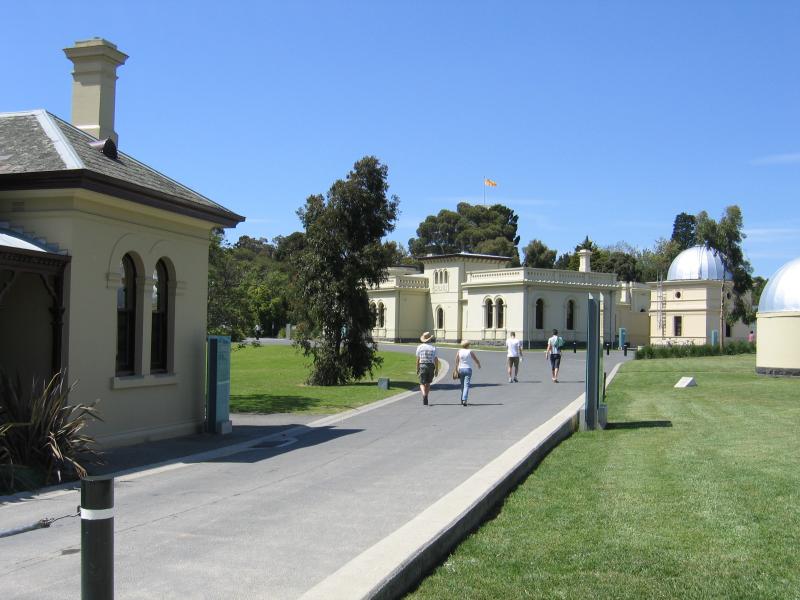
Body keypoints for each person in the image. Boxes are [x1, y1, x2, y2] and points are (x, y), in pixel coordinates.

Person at [416, 331, 439, 406]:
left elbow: (418, 359)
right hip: (431, 365)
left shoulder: (420, 347)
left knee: (422, 383)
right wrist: (436, 369)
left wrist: (417, 368)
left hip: (422, 365)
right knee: (428, 383)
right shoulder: (433, 348)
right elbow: (435, 359)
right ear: (429, 339)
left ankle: (424, 395)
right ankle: (426, 395)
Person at [455, 340, 481, 406]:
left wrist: (456, 368)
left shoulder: (459, 351)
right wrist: (478, 364)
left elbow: (456, 360)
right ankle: (464, 400)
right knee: (466, 385)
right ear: (468, 345)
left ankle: (462, 399)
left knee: (462, 385)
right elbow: (475, 359)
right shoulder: (470, 351)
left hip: (460, 369)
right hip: (468, 369)